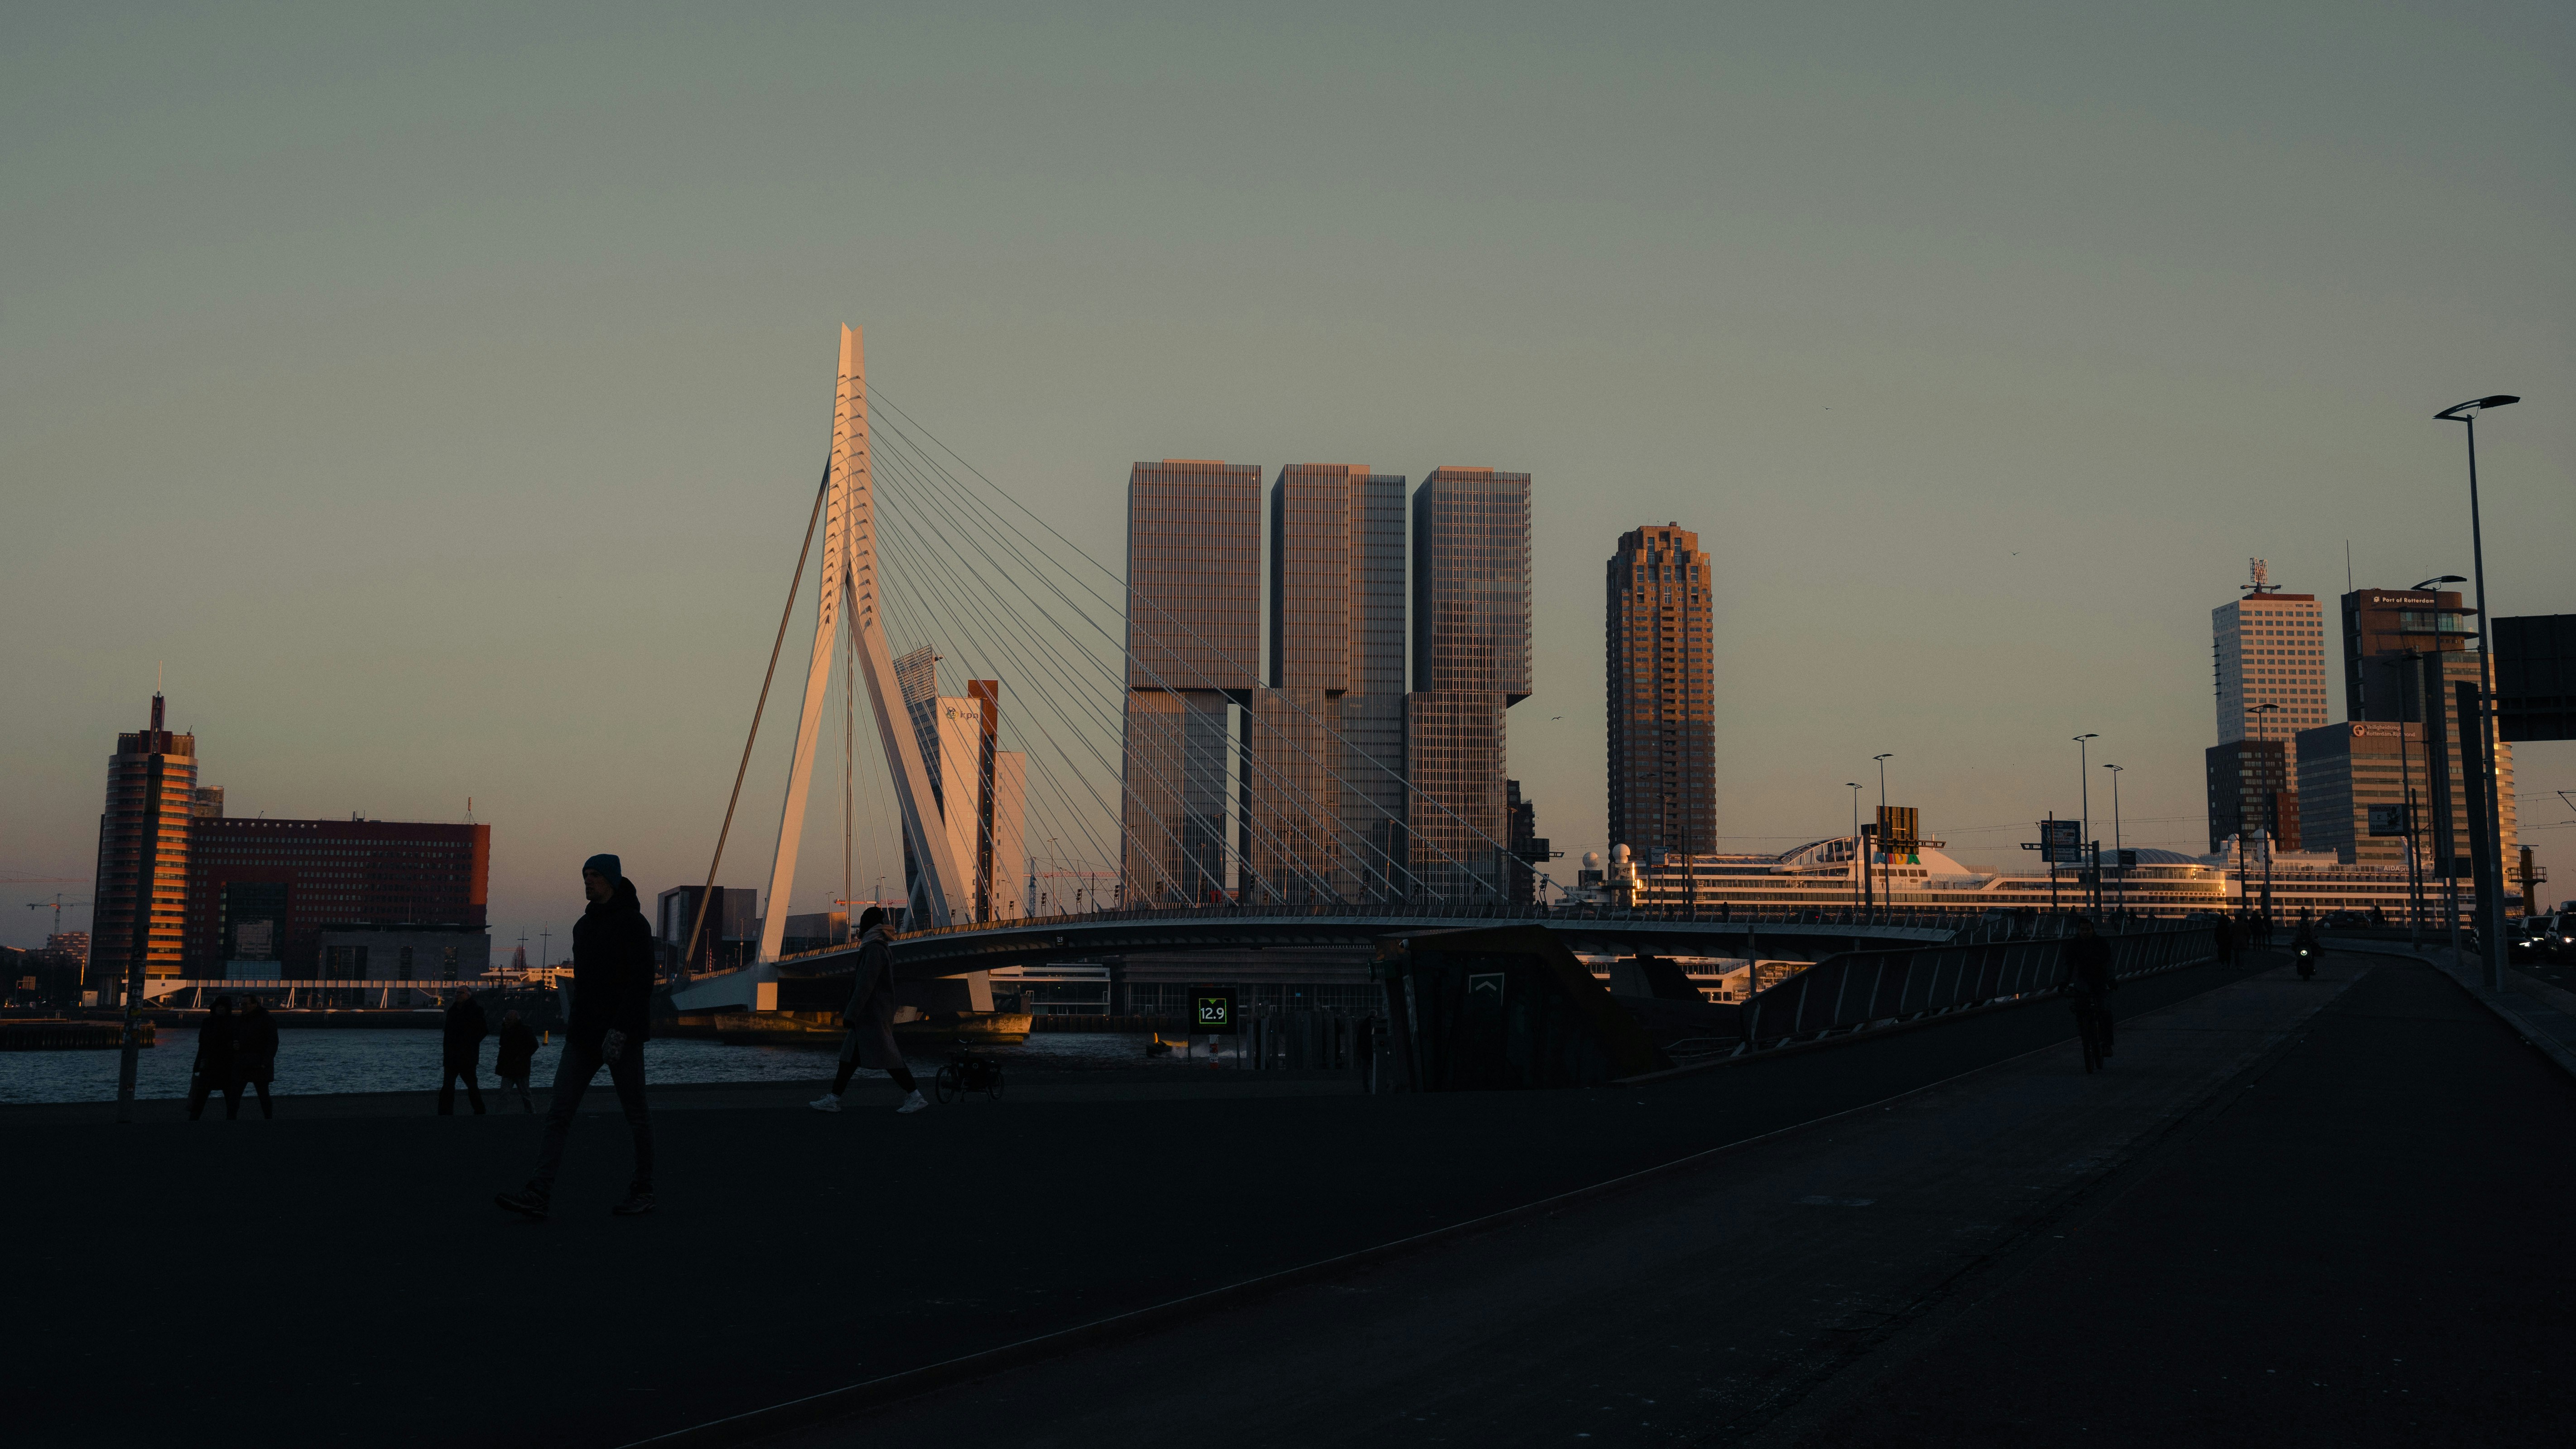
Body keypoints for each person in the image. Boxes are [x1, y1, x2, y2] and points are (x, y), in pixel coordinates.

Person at [496, 855, 657, 1220]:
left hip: (622, 1035)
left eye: (595, 875)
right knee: (559, 1113)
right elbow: (584, 985)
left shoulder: (634, 923)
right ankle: (539, 1192)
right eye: (585, 875)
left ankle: (644, 1190)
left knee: (636, 1115)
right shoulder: (582, 926)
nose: (588, 881)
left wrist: (622, 1029)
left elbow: (641, 982)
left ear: (612, 880)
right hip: (584, 1035)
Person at [809, 906, 928, 1115]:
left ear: (870, 925)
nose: (861, 925)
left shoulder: (875, 949)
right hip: (869, 1015)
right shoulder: (875, 946)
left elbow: (866, 984)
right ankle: (834, 1099)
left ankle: (915, 1096)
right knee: (849, 1058)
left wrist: (851, 1013)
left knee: (889, 1058)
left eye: (863, 921)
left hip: (872, 1015)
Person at [2064, 915, 2117, 1073]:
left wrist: (2111, 980)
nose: (2085, 933)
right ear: (2078, 931)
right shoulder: (2074, 945)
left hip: (2100, 981)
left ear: (2093, 930)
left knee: (2105, 1010)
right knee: (2080, 1009)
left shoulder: (2101, 943)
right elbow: (2069, 965)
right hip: (2083, 982)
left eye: (2088, 930)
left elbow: (2108, 963)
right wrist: (2064, 982)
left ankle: (2107, 1044)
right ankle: (2085, 1035)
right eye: (2082, 930)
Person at [188, 996, 244, 1120]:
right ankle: (231, 1119)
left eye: (223, 1007)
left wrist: (198, 1063)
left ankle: (194, 1119)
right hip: (223, 1063)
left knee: (203, 1093)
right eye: (219, 1007)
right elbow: (202, 1045)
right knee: (227, 1094)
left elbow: (202, 1045)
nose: (221, 1009)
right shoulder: (233, 1022)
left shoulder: (208, 1022)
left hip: (214, 1063)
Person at [439, 987, 489, 1116]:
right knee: (450, 1086)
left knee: (470, 1086)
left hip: (466, 1055)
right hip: (454, 1055)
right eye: (457, 993)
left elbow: (483, 1030)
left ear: (468, 995)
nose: (458, 995)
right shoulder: (454, 1010)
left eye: (461, 993)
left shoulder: (474, 1010)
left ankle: (479, 1110)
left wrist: (470, 1043)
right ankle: (446, 1112)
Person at [237, 997, 279, 1118]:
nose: (242, 1007)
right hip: (255, 1063)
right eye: (242, 1004)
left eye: (245, 1004)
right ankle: (268, 1119)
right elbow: (273, 1043)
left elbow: (272, 1043)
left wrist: (265, 1062)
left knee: (240, 1094)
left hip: (255, 1062)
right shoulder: (266, 1019)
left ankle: (231, 1120)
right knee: (262, 1094)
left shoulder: (243, 1020)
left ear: (255, 1004)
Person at [494, 1008, 540, 1114]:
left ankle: (500, 1114)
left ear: (515, 1020)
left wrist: (520, 1057)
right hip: (518, 1066)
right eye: (506, 1019)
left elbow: (502, 1046)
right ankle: (531, 1112)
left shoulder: (508, 1030)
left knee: (508, 1092)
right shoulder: (523, 1030)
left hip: (515, 1066)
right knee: (523, 1093)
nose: (507, 1021)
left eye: (509, 1019)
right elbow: (534, 1046)